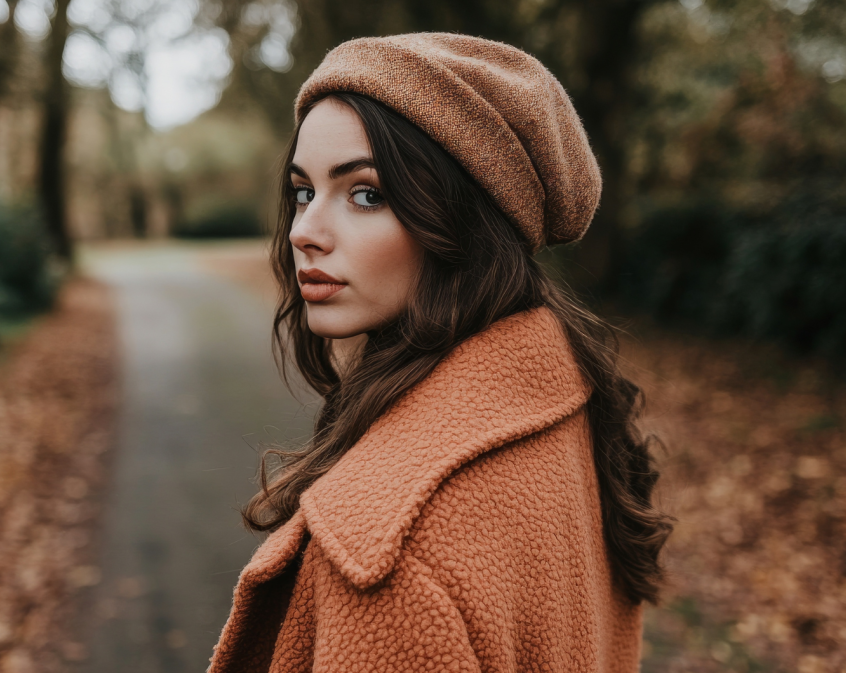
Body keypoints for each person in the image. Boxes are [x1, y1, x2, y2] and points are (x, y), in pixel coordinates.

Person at [209, 33, 674, 673]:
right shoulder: (563, 400)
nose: (304, 232)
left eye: (365, 193)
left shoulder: (389, 555)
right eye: (302, 191)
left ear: (459, 220)